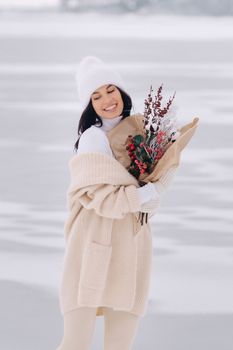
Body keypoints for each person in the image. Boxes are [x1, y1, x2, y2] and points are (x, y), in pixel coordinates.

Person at [56, 56, 178, 350]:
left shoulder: (142, 133)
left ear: (121, 92)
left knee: (120, 345)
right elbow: (102, 198)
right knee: (75, 344)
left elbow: (145, 189)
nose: (107, 100)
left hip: (130, 246)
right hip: (91, 244)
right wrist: (144, 194)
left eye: (110, 89)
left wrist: (153, 196)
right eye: (95, 96)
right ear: (89, 106)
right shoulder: (92, 139)